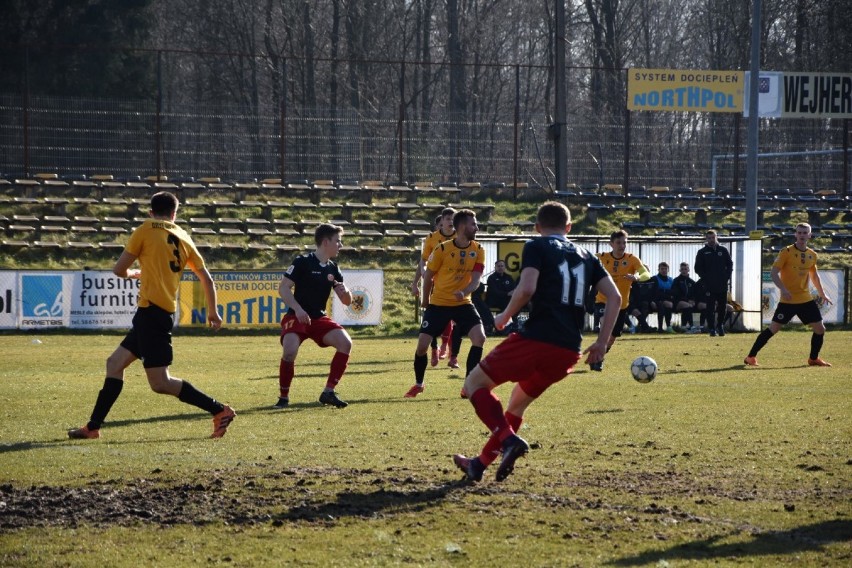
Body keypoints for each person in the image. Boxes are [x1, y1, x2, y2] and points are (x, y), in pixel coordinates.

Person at [452, 201, 620, 482]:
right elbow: (615, 297)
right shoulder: (588, 255)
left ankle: (508, 440)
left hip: (538, 338)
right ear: (569, 227)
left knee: (473, 384)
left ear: (537, 227)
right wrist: (602, 343)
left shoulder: (537, 245)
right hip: (569, 349)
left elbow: (527, 288)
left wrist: (505, 315)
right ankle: (478, 465)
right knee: (516, 405)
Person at [68, 192, 235, 440]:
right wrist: (213, 312)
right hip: (157, 314)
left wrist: (135, 273)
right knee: (114, 364)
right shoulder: (183, 236)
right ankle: (93, 428)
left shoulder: (145, 229)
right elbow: (207, 280)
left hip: (152, 316)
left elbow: (118, 270)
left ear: (150, 212)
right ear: (174, 214)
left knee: (160, 383)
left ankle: (220, 410)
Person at [405, 209, 486, 398]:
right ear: (462, 227)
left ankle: (468, 386)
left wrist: (464, 292)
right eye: (473, 224)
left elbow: (476, 280)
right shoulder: (441, 249)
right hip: (439, 303)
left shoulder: (478, 249)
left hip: (463, 303)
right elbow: (429, 277)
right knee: (422, 346)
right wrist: (426, 300)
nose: (477, 227)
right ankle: (419, 384)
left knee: (480, 338)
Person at [275, 223, 354, 409]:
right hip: (297, 315)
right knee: (290, 350)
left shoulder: (333, 268)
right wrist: (298, 309)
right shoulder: (302, 262)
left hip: (318, 318)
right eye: (338, 241)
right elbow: (283, 288)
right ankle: (283, 397)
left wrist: (346, 292)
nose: (340, 245)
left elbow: (347, 302)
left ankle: (328, 392)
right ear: (326, 242)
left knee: (346, 343)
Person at [744, 223, 832, 367]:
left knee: (820, 329)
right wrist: (783, 289)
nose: (802, 235)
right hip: (788, 301)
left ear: (810, 235)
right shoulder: (786, 252)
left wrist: (822, 294)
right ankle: (750, 357)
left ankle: (813, 359)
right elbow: (773, 273)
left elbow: (815, 276)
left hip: (805, 299)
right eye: (800, 232)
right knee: (773, 329)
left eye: (805, 233)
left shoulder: (812, 255)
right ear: (795, 235)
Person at [591, 230, 650, 370]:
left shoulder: (632, 259)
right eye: (618, 242)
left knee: (612, 337)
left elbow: (646, 274)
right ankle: (598, 359)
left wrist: (637, 277)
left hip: (621, 305)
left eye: (624, 242)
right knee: (605, 324)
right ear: (611, 244)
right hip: (603, 300)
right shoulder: (601, 257)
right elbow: (583, 262)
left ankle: (598, 357)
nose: (622, 245)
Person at [412, 209, 456, 366]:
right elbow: (423, 261)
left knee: (450, 317)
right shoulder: (431, 239)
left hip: (450, 284)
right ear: (440, 222)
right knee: (431, 318)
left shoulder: (459, 237)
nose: (449, 223)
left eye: (452, 219)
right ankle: (435, 348)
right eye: (446, 220)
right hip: (432, 284)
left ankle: (448, 350)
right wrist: (416, 281)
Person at [695, 229, 733, 337]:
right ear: (706, 239)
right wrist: (706, 279)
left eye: (713, 237)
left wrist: (726, 277)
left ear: (717, 237)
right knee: (710, 307)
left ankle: (720, 326)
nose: (711, 240)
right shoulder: (702, 252)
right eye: (709, 238)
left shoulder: (723, 250)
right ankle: (711, 328)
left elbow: (729, 265)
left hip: (722, 284)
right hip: (709, 285)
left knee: (722, 307)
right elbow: (697, 268)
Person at [650, 262, 675, 332]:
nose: (664, 270)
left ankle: (668, 327)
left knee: (669, 304)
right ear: (659, 270)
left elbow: (673, 292)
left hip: (668, 299)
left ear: (668, 270)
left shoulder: (671, 280)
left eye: (665, 269)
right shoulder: (654, 279)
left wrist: (663, 291)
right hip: (656, 300)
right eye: (662, 269)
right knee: (661, 305)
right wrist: (666, 292)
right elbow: (654, 292)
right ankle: (660, 328)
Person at [671, 262, 697, 330]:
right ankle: (691, 326)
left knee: (689, 306)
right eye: (682, 269)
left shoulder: (692, 282)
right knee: (687, 305)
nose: (684, 271)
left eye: (685, 269)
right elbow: (675, 294)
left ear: (688, 270)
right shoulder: (676, 281)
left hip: (689, 303)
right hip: (677, 302)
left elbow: (695, 294)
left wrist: (693, 300)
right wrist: (687, 300)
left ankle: (684, 326)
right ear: (680, 270)